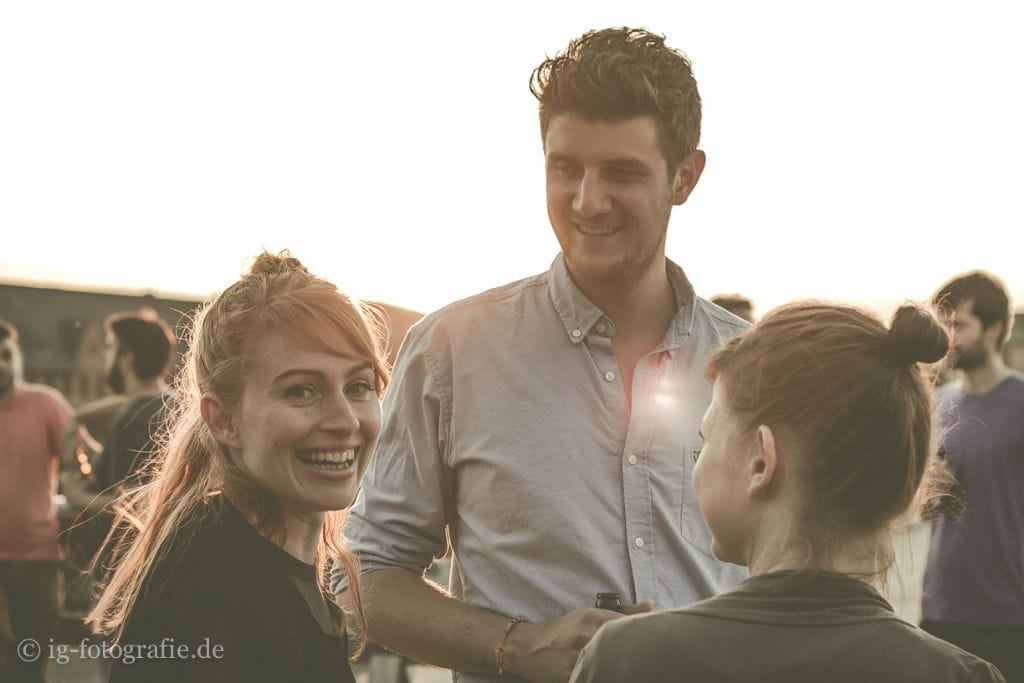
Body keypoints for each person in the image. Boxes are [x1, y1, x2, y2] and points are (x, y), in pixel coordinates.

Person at [336, 27, 747, 682]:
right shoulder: (449, 352)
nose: (587, 200)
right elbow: (367, 576)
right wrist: (519, 644)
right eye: (566, 169)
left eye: (621, 172)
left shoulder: (756, 370)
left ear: (685, 177)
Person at [570, 302, 1006, 682]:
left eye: (705, 441)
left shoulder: (628, 660)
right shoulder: (961, 675)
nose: (697, 466)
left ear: (761, 462)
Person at [87, 251, 389, 682]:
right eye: (301, 391)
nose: (346, 421)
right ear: (223, 420)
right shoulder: (221, 598)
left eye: (358, 386)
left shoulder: (251, 555)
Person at [921, 271, 1024, 682]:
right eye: (944, 325)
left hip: (1010, 613)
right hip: (941, 609)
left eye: (960, 325)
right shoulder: (937, 405)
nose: (949, 338)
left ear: (994, 329)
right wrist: (930, 491)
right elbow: (925, 507)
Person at [0, 319, 74, 683]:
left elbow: (82, 460)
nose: (1, 364)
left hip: (36, 559)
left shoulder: (45, 404)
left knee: (30, 665)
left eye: (6, 355)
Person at [61, 309, 175, 516]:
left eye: (109, 348)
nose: (104, 357)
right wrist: (85, 431)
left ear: (127, 358)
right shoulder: (173, 404)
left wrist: (78, 497)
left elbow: (136, 503)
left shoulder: (131, 421)